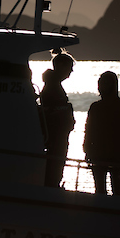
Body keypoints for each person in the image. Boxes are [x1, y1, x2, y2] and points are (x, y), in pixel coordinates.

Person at [83, 71, 120, 196]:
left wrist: (87, 149)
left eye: (102, 84)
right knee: (111, 189)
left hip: (106, 153)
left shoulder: (97, 107)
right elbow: (89, 130)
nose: (99, 87)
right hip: (111, 152)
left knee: (105, 189)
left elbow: (89, 131)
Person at [38, 52, 75, 187]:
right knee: (54, 172)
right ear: (60, 66)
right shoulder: (53, 87)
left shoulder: (52, 85)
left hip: (57, 137)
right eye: (69, 67)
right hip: (56, 139)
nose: (71, 71)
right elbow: (52, 112)